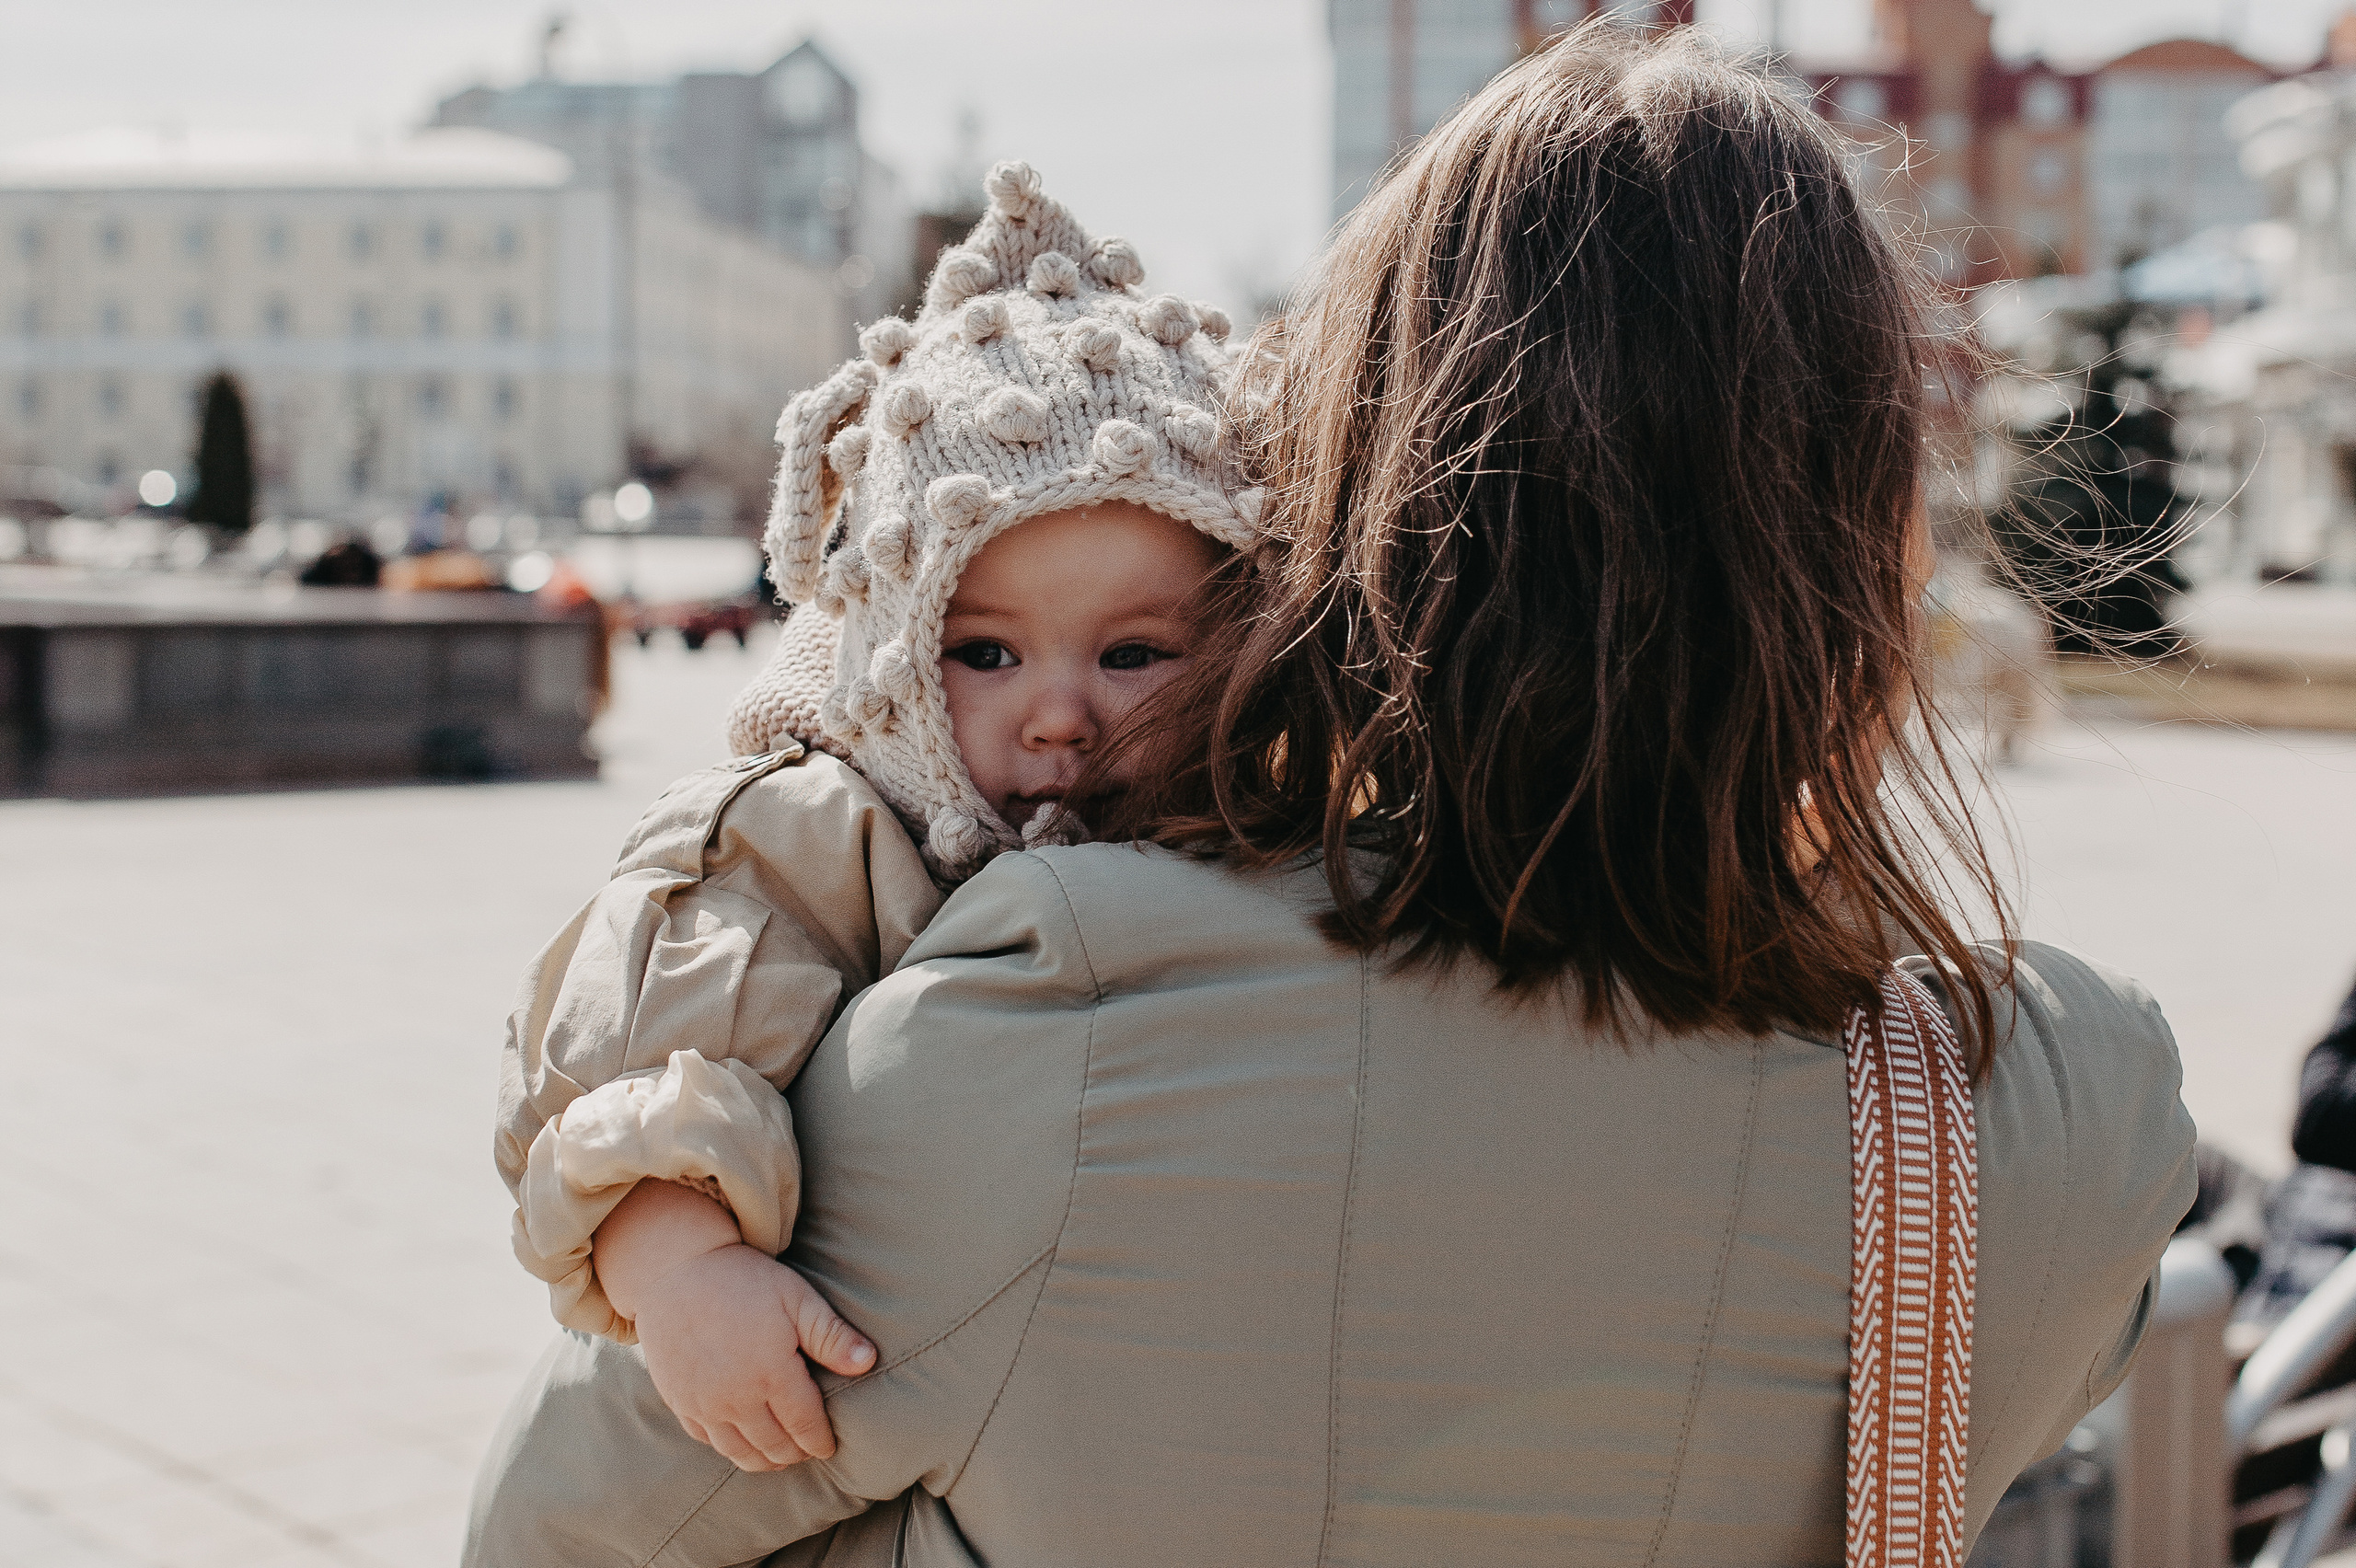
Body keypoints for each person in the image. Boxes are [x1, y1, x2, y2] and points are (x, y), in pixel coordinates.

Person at [476, 26, 2196, 1567]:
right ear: (1866, 542)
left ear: (1344, 504)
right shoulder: (2055, 1117)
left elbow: (557, 1530)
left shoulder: (1064, 1006)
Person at [469, 165, 1254, 1559]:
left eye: (1133, 655)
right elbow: (641, 1054)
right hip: (840, 1417)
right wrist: (682, 1264)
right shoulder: (822, 830)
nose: (1059, 710)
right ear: (894, 640)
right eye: (985, 653)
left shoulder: (1247, 828)